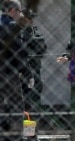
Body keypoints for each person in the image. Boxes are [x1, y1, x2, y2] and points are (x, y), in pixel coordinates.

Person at [0, 0, 33, 140]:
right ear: (13, 10)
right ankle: (17, 137)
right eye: (19, 12)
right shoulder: (12, 26)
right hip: (9, 73)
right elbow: (19, 52)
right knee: (17, 106)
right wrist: (27, 72)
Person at [19, 8, 47, 112]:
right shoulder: (17, 33)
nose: (30, 21)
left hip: (35, 71)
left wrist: (31, 37)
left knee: (34, 100)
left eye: (30, 18)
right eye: (27, 18)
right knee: (23, 101)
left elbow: (42, 48)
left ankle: (32, 127)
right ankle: (21, 126)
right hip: (21, 72)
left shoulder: (36, 33)